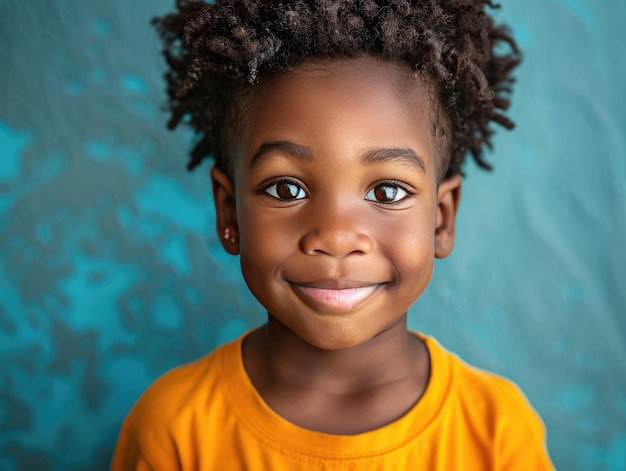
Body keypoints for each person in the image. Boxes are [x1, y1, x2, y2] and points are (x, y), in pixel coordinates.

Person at [111, 0, 554, 469]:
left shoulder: (497, 433)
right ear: (230, 213)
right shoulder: (172, 431)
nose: (337, 237)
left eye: (386, 191)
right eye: (287, 188)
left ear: (441, 219)